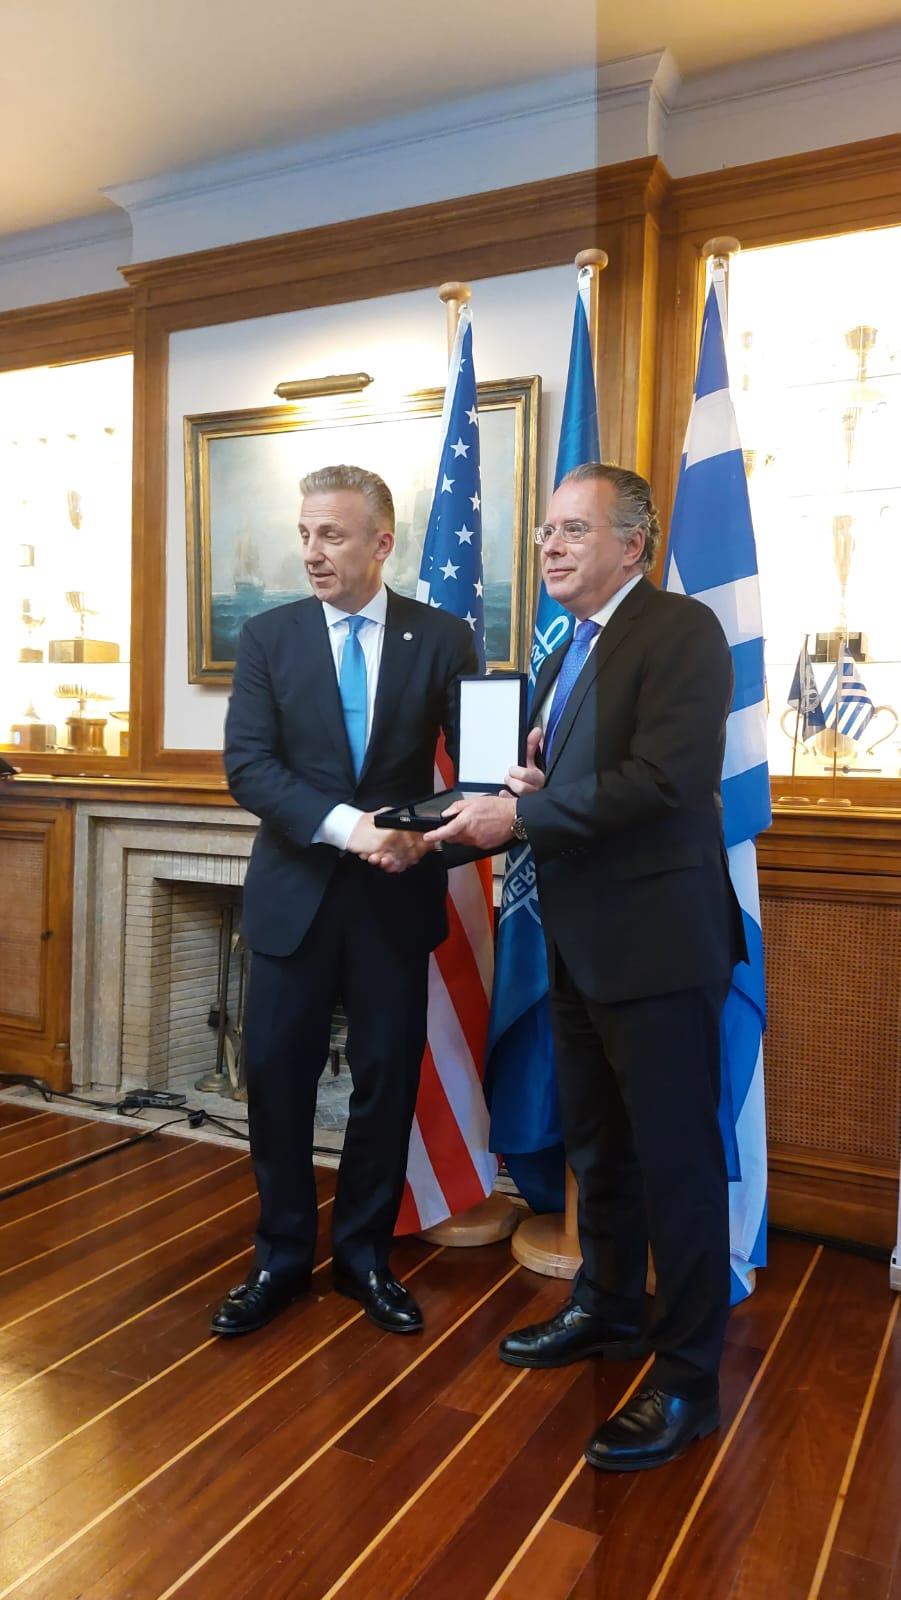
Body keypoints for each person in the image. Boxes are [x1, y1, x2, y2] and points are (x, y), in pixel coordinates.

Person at [428, 461, 747, 1473]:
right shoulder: (571, 647)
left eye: (572, 529)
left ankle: (687, 1377)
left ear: (632, 543)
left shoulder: (680, 631)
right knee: (599, 1150)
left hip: (657, 948)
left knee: (676, 1164)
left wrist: (520, 813)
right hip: (578, 941)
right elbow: (586, 783)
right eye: (544, 532)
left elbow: (664, 780)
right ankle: (607, 1307)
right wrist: (532, 784)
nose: (549, 546)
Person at [214, 464, 477, 1339]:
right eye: (304, 534)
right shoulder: (269, 637)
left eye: (331, 535)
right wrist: (350, 829)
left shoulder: (442, 638)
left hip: (394, 901)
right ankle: (281, 1256)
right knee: (276, 1082)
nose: (312, 552)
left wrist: (420, 837)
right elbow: (250, 767)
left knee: (386, 1084)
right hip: (293, 899)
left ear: (381, 542)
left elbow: (474, 778)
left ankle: (364, 1256)